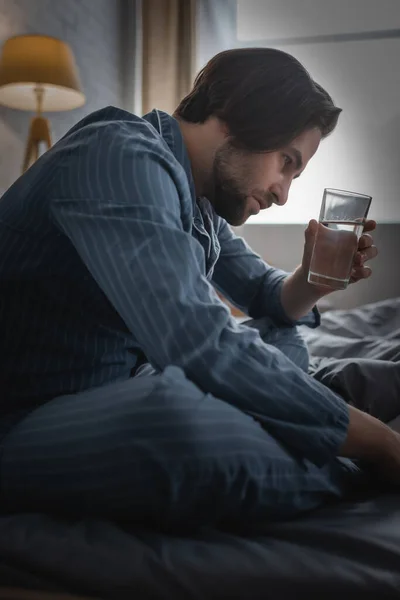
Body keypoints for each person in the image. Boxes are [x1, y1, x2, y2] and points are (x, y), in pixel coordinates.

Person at [0, 48, 398, 530]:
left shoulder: (199, 198)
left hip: (125, 382)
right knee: (180, 421)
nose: (283, 192)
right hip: (26, 414)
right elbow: (196, 342)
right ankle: (349, 464)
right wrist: (378, 442)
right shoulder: (119, 156)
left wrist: (312, 281)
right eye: (286, 162)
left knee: (277, 333)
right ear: (236, 117)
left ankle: (301, 421)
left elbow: (267, 295)